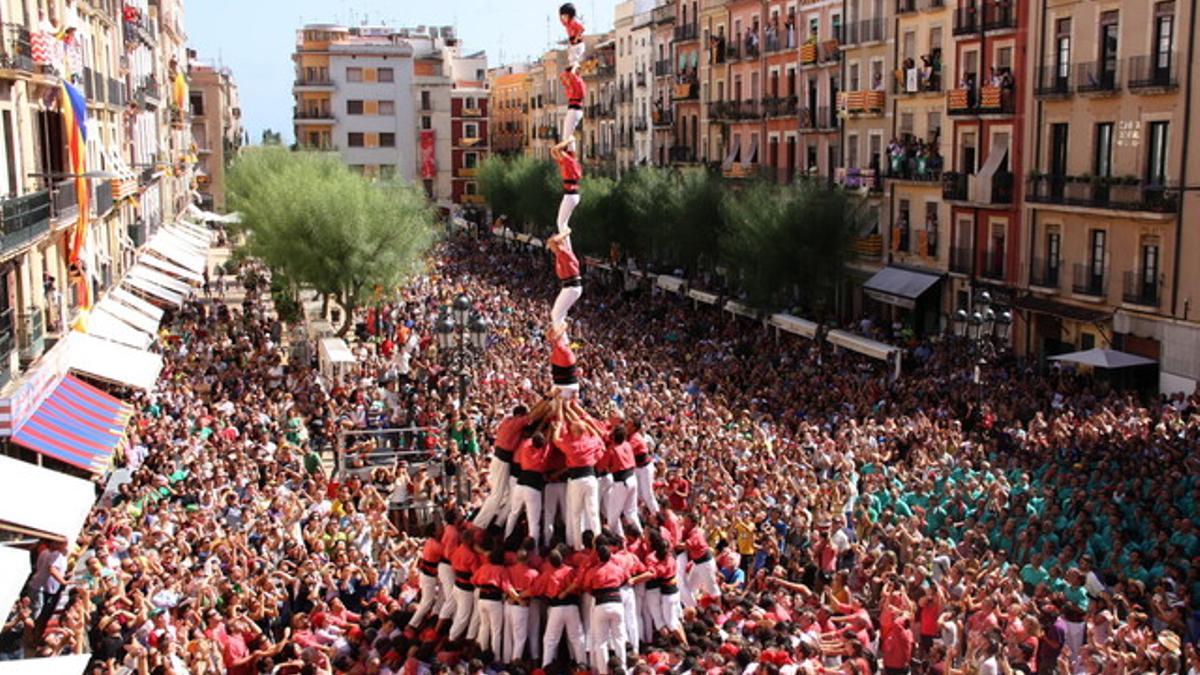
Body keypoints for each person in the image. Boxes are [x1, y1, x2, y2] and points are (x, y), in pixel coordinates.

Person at [472, 404, 529, 528]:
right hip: (502, 460)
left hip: (500, 459)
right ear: (520, 415)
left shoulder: (507, 421)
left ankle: (495, 523)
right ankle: (479, 524)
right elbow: (531, 417)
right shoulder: (514, 423)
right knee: (497, 495)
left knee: (505, 495)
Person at [555, 415, 604, 550]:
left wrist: (559, 426)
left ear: (576, 431)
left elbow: (555, 440)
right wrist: (588, 426)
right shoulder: (591, 442)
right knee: (593, 512)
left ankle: (578, 546)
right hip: (591, 479)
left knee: (576, 513)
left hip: (577, 481)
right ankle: (598, 542)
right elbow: (598, 437)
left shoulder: (572, 445)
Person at [537, 548, 587, 668]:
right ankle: (583, 666)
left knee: (550, 640)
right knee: (577, 638)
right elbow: (578, 582)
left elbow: (536, 590)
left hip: (556, 608)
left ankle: (546, 667)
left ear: (549, 562)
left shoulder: (547, 574)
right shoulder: (570, 571)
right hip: (572, 607)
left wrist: (518, 596)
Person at [601, 424, 639, 537]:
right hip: (632, 479)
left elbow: (601, 465)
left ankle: (618, 542)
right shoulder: (627, 444)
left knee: (612, 516)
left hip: (621, 483)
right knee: (630, 513)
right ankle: (640, 537)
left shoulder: (612, 449)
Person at [471, 549, 509, 658]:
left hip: (482, 599)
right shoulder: (502, 570)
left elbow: (473, 580)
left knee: (484, 626)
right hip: (494, 601)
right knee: (496, 631)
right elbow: (506, 587)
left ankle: (483, 653)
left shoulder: (484, 567)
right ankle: (496, 657)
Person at [548, 232, 582, 328]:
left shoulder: (563, 252)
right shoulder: (563, 252)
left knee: (555, 314)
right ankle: (563, 337)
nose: (551, 248)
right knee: (558, 315)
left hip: (571, 287)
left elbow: (552, 241)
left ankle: (562, 339)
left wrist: (566, 231)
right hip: (570, 287)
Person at [551, 141, 583, 236]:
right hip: (572, 195)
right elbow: (553, 152)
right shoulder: (570, 162)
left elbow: (555, 149)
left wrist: (568, 140)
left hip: (570, 195)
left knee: (561, 223)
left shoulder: (568, 161)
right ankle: (566, 238)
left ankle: (567, 240)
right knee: (561, 223)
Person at [559, 66, 586, 144]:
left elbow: (570, 77)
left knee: (567, 136)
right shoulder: (574, 83)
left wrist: (573, 68)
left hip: (574, 110)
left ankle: (569, 152)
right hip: (574, 109)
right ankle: (570, 151)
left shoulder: (577, 81)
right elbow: (562, 78)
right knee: (566, 134)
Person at [560, 3, 586, 67]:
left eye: (565, 16)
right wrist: (559, 14)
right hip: (572, 42)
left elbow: (582, 29)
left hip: (578, 43)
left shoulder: (574, 22)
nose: (563, 18)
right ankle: (573, 71)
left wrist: (576, 38)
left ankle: (575, 69)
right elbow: (561, 21)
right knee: (570, 58)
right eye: (563, 16)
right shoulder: (567, 23)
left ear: (570, 15)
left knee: (574, 59)